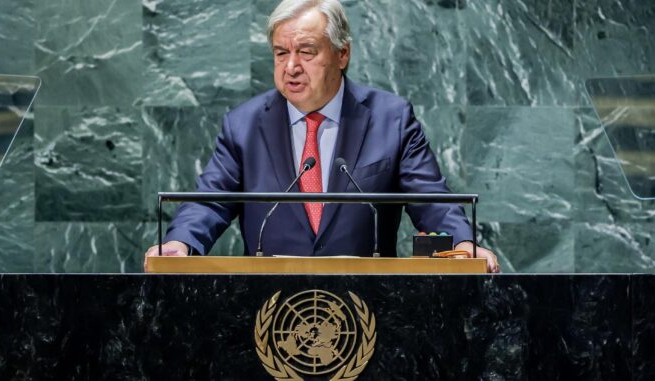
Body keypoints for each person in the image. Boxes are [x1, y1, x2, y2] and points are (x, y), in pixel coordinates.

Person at [144, 0, 500, 272]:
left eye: (307, 52)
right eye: (281, 53)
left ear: (342, 54)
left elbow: (431, 199)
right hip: (265, 306)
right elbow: (210, 199)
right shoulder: (244, 124)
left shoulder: (391, 119)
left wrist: (464, 245)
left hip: (370, 306)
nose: (291, 66)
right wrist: (180, 243)